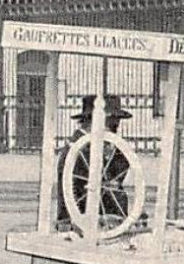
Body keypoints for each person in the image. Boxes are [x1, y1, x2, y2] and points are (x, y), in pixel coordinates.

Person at [55, 95, 134, 225]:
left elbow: (119, 176)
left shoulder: (100, 146)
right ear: (93, 121)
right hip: (81, 222)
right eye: (112, 122)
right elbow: (97, 185)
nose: (116, 127)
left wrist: (111, 153)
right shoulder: (77, 148)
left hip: (102, 222)